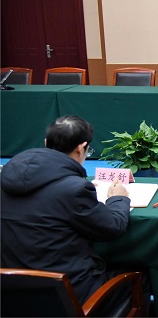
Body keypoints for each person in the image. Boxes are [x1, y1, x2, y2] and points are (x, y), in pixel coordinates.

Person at [0, 116, 131, 303]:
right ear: (80, 148)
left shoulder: (5, 179)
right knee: (139, 279)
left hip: (10, 294)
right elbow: (113, 227)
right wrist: (118, 198)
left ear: (46, 142)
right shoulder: (75, 190)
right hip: (66, 295)